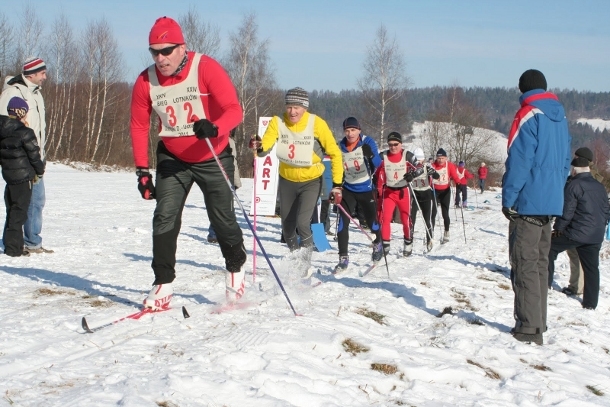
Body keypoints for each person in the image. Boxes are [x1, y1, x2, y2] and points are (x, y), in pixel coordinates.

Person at [130, 17, 246, 309]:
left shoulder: (205, 68)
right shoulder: (146, 80)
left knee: (222, 220)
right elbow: (139, 125)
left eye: (167, 50)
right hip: (173, 156)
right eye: (154, 51)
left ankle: (235, 269)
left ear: (182, 47)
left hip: (212, 154)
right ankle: (163, 284)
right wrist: (142, 170)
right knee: (164, 215)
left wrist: (216, 127)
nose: (161, 58)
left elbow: (235, 110)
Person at [502, 69, 571, 345]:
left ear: (522, 89)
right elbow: (566, 163)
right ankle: (538, 322)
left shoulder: (528, 114)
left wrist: (509, 199)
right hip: (550, 203)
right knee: (540, 264)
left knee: (525, 264)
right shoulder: (561, 118)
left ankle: (528, 329)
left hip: (527, 203)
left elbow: (519, 161)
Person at [250, 87, 343, 276]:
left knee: (303, 222)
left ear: (305, 108)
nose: (292, 112)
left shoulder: (317, 123)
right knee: (287, 227)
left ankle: (305, 264)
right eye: (289, 107)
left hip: (311, 180)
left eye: (297, 108)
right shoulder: (278, 122)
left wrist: (338, 185)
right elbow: (265, 145)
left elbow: (335, 153)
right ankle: (295, 257)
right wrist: (259, 145)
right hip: (287, 180)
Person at [0, 57, 51, 254]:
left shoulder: (36, 94)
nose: (45, 77)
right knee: (24, 203)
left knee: (36, 200)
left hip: (35, 155)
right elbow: (5, 126)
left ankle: (31, 240)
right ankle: (24, 242)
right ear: (31, 74)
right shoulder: (12, 93)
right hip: (21, 160)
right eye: (42, 73)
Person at [547, 155, 609, 310]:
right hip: (596, 234)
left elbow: (567, 211)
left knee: (549, 249)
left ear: (574, 170)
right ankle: (590, 303)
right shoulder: (599, 186)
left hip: (577, 232)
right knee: (591, 268)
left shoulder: (573, 185)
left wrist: (558, 229)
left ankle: (545, 284)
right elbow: (606, 209)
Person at [333, 117, 383, 272]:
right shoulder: (340, 146)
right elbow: (337, 168)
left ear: (359, 130)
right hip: (348, 189)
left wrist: (371, 156)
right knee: (342, 223)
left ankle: (378, 245)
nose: (350, 134)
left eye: (353, 130)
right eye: (347, 130)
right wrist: (336, 187)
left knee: (372, 223)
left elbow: (378, 165)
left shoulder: (368, 142)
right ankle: (343, 258)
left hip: (366, 189)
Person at [0, 97, 45, 257]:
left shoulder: (3, 130)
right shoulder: (25, 132)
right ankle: (13, 249)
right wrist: (40, 171)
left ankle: (11, 242)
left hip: (9, 177)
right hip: (23, 178)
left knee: (12, 210)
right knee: (19, 212)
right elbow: (34, 156)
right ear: (22, 113)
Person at [560, 147, 605, 297]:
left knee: (577, 256)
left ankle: (577, 287)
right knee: (587, 262)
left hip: (579, 223)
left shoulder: (582, 175)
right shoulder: (595, 176)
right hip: (592, 225)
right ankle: (581, 289)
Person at [374, 132, 417, 257]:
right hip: (389, 192)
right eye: (390, 144)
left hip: (403, 192)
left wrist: (412, 174)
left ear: (401, 144)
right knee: (385, 219)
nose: (393, 147)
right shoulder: (383, 155)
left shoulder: (407, 155)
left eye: (396, 144)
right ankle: (386, 246)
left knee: (405, 219)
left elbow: (419, 167)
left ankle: (408, 243)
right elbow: (373, 165)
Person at [207, 135, 241, 244]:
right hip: (216, 178)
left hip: (228, 178)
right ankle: (213, 233)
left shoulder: (230, 141)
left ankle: (225, 234)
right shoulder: (211, 141)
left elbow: (233, 162)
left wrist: (236, 181)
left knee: (227, 208)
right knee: (218, 207)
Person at [409, 148, 440, 252]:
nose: (419, 162)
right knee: (411, 220)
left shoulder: (427, 166)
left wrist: (433, 173)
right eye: (417, 160)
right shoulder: (410, 168)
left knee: (427, 220)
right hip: (415, 195)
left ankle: (429, 240)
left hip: (426, 195)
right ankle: (409, 242)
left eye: (421, 160)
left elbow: (437, 176)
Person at [431, 148, 460, 243]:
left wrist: (458, 182)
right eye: (439, 158)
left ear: (446, 158)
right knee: (433, 213)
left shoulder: (449, 165)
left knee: (445, 213)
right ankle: (431, 233)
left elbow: (455, 176)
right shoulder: (432, 166)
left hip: (445, 191)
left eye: (442, 158)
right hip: (435, 190)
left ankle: (446, 231)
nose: (440, 160)